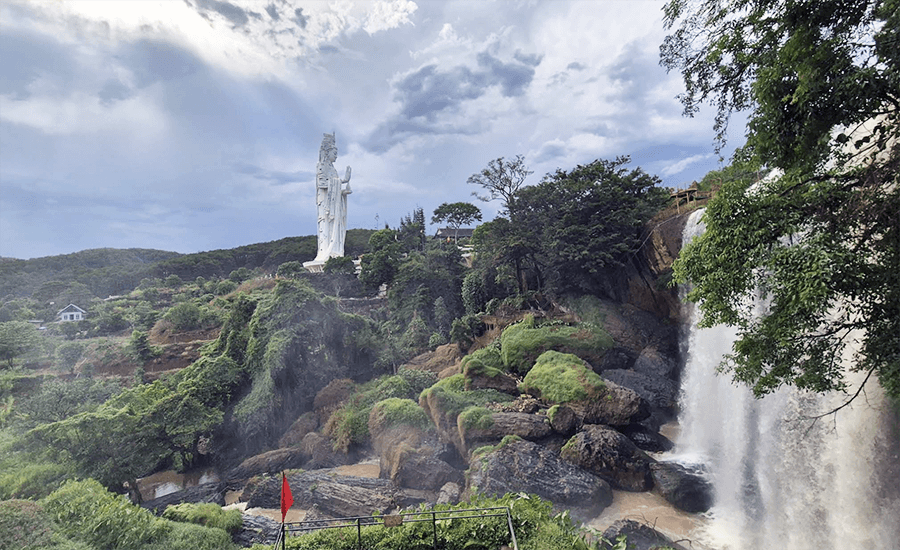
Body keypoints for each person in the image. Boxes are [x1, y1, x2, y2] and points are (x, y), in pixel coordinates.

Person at [314, 133, 351, 262]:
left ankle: (336, 252)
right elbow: (322, 184)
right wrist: (342, 181)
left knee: (336, 228)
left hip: (335, 204)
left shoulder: (333, 169)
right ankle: (326, 253)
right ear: (327, 152)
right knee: (326, 230)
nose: (336, 156)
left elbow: (335, 187)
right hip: (326, 205)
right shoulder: (321, 166)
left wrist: (343, 192)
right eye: (334, 153)